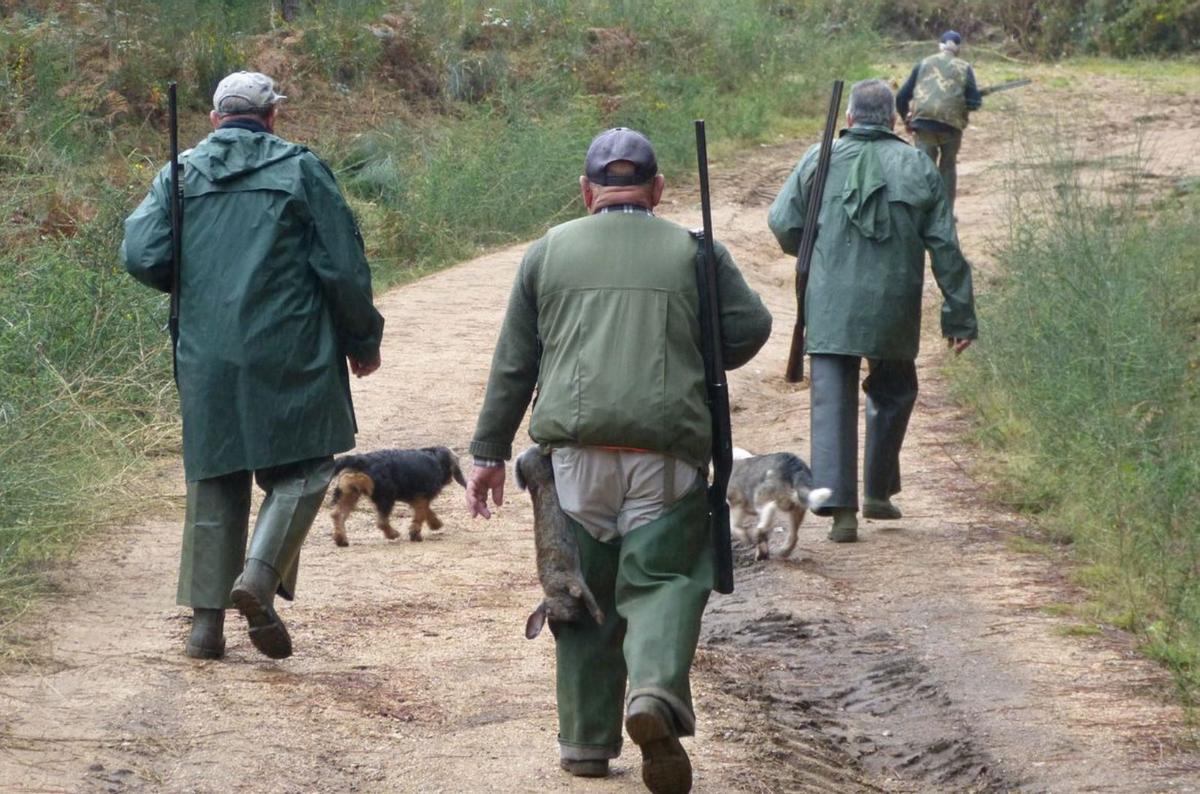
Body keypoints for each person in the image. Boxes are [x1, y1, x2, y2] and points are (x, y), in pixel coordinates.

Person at [466, 128, 771, 794]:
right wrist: (691, 351)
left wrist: (488, 453)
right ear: (658, 191)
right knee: (662, 580)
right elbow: (751, 328)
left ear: (587, 192)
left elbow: (515, 363)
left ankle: (584, 743)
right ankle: (654, 694)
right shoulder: (696, 252)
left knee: (578, 590)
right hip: (666, 458)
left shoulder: (548, 251)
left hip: (571, 462)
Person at [122, 71, 384, 661]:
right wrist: (362, 338)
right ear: (272, 117)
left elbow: (141, 254)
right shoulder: (299, 168)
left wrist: (194, 283)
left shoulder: (180, 173)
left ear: (216, 119)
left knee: (215, 474)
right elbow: (341, 266)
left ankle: (205, 629)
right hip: (292, 346)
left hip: (207, 350)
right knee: (309, 466)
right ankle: (259, 578)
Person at [767, 78, 977, 543]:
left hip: (830, 304)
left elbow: (783, 222)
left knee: (831, 399)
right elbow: (946, 246)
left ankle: (842, 515)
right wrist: (959, 315)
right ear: (895, 121)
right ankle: (878, 493)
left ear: (849, 120)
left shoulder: (819, 158)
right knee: (895, 389)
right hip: (894, 304)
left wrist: (817, 253)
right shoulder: (918, 164)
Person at [895, 30, 982, 211]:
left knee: (925, 168)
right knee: (948, 167)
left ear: (939, 46)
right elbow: (974, 103)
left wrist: (907, 119)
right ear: (958, 49)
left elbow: (901, 97)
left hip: (923, 125)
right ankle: (946, 213)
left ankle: (923, 212)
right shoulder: (964, 67)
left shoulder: (923, 64)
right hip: (951, 128)